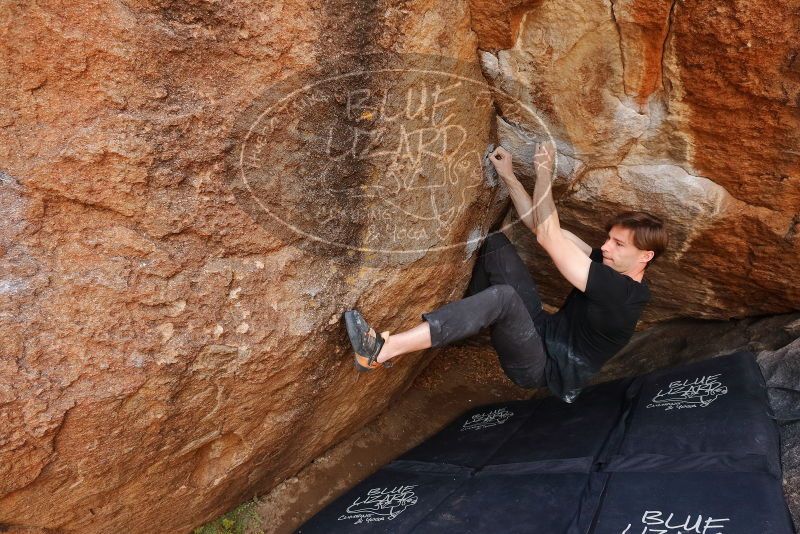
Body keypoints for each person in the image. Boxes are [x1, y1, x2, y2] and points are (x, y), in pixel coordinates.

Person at [343, 142, 669, 403]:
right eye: (609, 239)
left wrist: (544, 176)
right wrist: (509, 175)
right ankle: (464, 323)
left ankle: (382, 351)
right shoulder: (607, 263)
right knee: (496, 244)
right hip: (540, 328)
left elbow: (548, 236)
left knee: (504, 298)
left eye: (618, 244)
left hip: (540, 366)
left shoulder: (621, 294)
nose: (606, 247)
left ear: (646, 256)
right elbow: (536, 224)